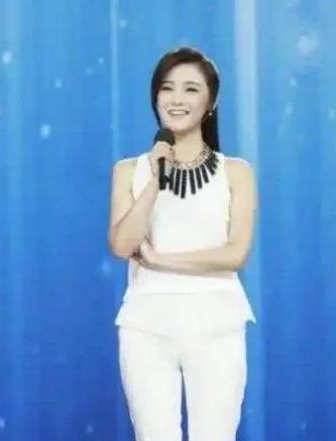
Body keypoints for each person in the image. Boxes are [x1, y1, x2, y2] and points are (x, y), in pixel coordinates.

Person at [108, 47, 256, 441]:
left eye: (191, 89)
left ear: (211, 102)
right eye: (167, 88)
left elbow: (235, 254)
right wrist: (154, 182)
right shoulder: (129, 171)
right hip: (146, 327)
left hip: (218, 325)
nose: (176, 99)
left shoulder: (236, 172)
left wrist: (162, 260)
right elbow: (122, 245)